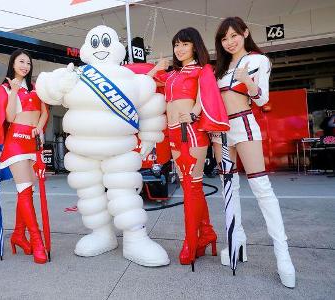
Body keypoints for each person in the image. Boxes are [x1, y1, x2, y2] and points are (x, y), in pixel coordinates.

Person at [36, 25, 170, 267]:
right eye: (95, 42)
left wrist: (150, 136)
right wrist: (60, 83)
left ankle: (135, 238)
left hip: (118, 150)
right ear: (86, 48)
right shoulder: (74, 76)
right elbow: (46, 88)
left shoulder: (131, 79)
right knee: (90, 196)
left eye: (106, 43)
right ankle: (102, 234)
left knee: (124, 193)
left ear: (118, 49)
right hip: (82, 153)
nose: (101, 48)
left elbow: (149, 104)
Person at [212, 16, 295, 288]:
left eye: (234, 35)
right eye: (224, 38)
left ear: (245, 33)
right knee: (229, 188)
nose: (230, 42)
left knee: (261, 187)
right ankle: (237, 242)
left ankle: (283, 255)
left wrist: (247, 81)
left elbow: (263, 99)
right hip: (221, 133)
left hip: (245, 124)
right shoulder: (221, 68)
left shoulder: (257, 60)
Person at [147, 27, 229, 268]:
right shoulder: (172, 74)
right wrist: (157, 66)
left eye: (184, 44)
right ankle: (207, 233)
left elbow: (207, 95)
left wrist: (193, 114)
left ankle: (191, 240)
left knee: (191, 187)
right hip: (173, 132)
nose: (179, 49)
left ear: (195, 46)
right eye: (176, 45)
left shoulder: (202, 70)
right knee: (188, 185)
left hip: (190, 131)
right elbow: (149, 80)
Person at [0, 49, 49, 264]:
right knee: (24, 190)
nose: (25, 66)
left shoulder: (36, 87)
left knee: (28, 191)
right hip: (16, 141)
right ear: (13, 64)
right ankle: (37, 240)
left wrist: (39, 129)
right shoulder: (5, 88)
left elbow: (44, 113)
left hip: (32, 141)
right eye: (21, 62)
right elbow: (10, 117)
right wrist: (13, 91)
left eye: (28, 63)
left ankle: (17, 235)